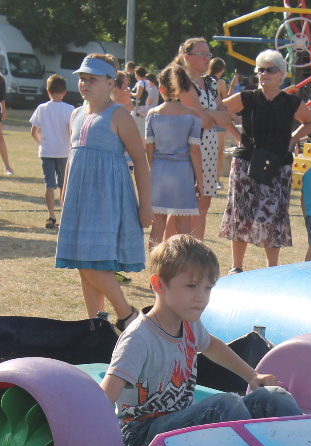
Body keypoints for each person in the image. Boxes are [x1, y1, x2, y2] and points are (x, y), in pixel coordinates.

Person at [100, 234, 302, 446]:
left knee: (274, 397)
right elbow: (103, 397)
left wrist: (252, 375)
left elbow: (212, 345)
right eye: (191, 286)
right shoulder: (139, 339)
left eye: (207, 288)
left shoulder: (189, 324)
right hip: (141, 436)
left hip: (178, 425)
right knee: (225, 405)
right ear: (159, 284)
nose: (201, 297)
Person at [56, 53, 152, 330]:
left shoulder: (119, 114)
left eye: (93, 79)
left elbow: (140, 161)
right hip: (80, 200)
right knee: (82, 262)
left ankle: (127, 316)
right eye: (82, 79)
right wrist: (65, 193)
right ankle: (95, 325)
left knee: (94, 261)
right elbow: (72, 158)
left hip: (108, 200)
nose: (85, 84)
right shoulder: (75, 114)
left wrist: (145, 205)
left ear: (111, 83)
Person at [218, 50, 311, 273]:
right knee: (241, 213)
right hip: (246, 162)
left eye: (270, 69)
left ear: (282, 74)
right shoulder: (248, 97)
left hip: (278, 165)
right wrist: (235, 133)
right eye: (260, 69)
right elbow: (220, 111)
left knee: (274, 216)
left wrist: (292, 139)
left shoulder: (291, 102)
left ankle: (271, 269)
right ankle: (237, 266)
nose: (264, 74)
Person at [174, 38, 234, 240]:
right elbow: (199, 119)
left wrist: (211, 115)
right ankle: (171, 256)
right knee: (182, 207)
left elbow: (222, 115)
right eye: (202, 54)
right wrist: (213, 115)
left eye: (208, 53)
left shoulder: (210, 82)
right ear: (187, 57)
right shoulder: (182, 81)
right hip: (186, 148)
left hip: (208, 145)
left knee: (203, 203)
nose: (207, 58)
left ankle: (195, 254)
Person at [145, 65, 203, 250]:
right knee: (183, 227)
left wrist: (154, 169)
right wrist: (200, 181)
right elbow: (195, 151)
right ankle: (182, 267)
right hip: (183, 173)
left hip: (159, 171)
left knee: (158, 225)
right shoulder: (193, 116)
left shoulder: (152, 115)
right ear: (184, 88)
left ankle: (155, 269)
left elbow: (149, 148)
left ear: (161, 88)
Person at [29, 74, 76, 230]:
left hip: (47, 152)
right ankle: (65, 215)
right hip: (64, 152)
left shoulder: (42, 108)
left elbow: (33, 131)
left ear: (48, 91)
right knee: (64, 185)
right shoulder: (70, 109)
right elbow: (72, 131)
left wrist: (43, 142)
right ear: (65, 91)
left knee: (49, 184)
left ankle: (51, 216)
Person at [207, 57, 241, 190]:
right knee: (218, 152)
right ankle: (216, 180)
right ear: (221, 70)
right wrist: (233, 84)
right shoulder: (220, 82)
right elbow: (226, 99)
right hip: (218, 119)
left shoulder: (204, 79)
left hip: (205, 117)